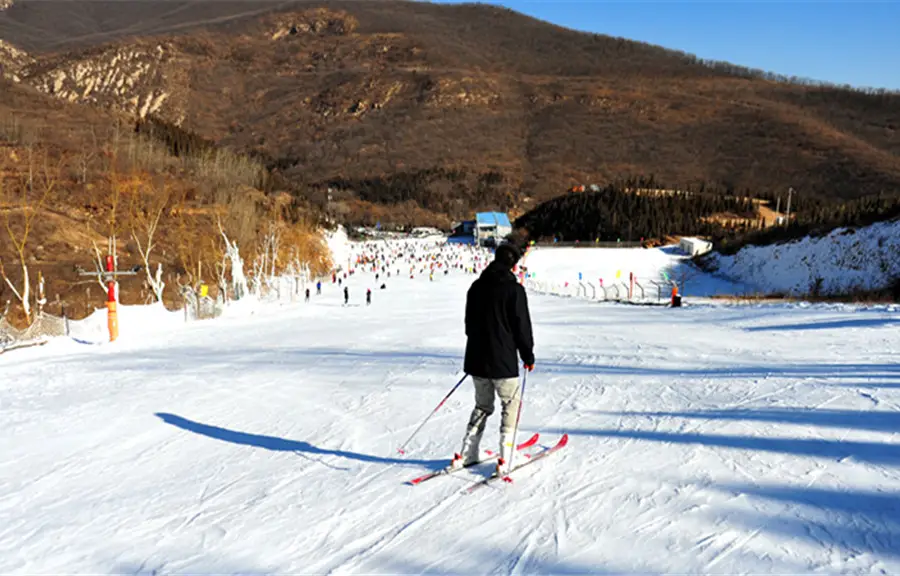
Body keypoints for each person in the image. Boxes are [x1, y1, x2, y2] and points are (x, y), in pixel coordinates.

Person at [452, 243, 534, 475]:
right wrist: (527, 355)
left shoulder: (476, 287)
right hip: (503, 362)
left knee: (482, 405)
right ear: (513, 265)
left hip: (477, 359)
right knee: (511, 404)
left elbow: (469, 326)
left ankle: (469, 452)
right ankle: (506, 456)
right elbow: (522, 327)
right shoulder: (514, 290)